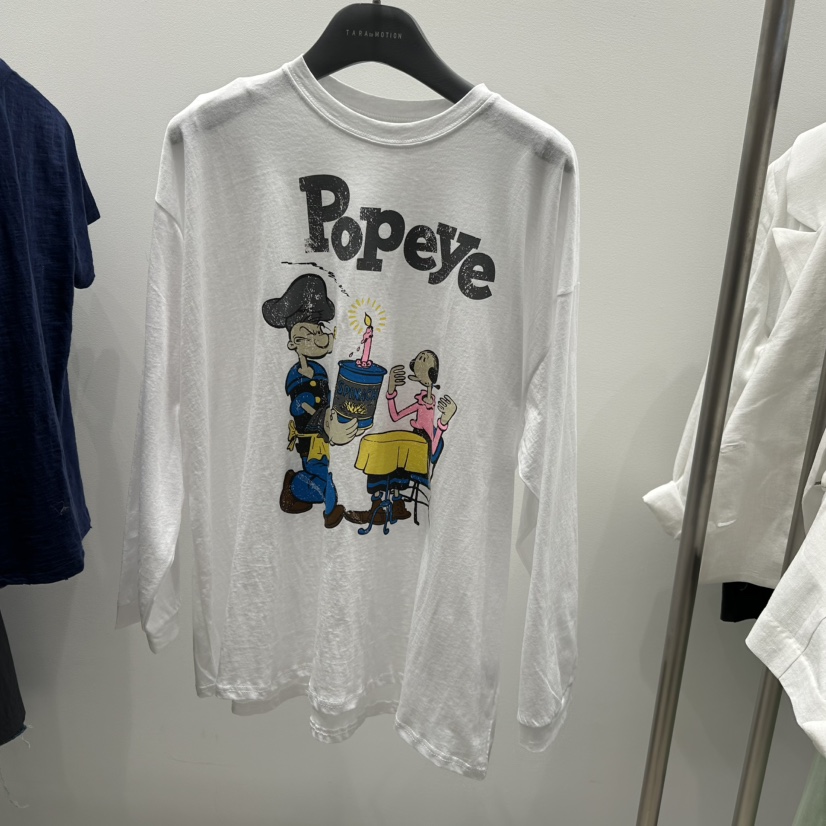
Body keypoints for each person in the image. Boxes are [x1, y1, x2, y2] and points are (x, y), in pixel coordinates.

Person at [262, 273, 357, 528]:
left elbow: (327, 397)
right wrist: (322, 417)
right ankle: (299, 488)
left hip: (325, 436)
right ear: (293, 343)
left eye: (318, 331)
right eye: (308, 334)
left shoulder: (321, 370)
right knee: (324, 476)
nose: (317, 337)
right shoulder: (296, 374)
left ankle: (301, 489)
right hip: (310, 439)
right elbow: (298, 406)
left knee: (327, 473)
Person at [345, 349, 457, 527]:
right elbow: (396, 416)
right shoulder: (421, 402)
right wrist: (391, 391)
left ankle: (379, 508)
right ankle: (395, 505)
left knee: (388, 454)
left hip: (421, 452)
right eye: (418, 359)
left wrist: (444, 420)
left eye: (424, 360)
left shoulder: (435, 408)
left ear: (432, 373)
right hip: (411, 445)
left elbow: (434, 449)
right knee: (380, 449)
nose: (419, 361)